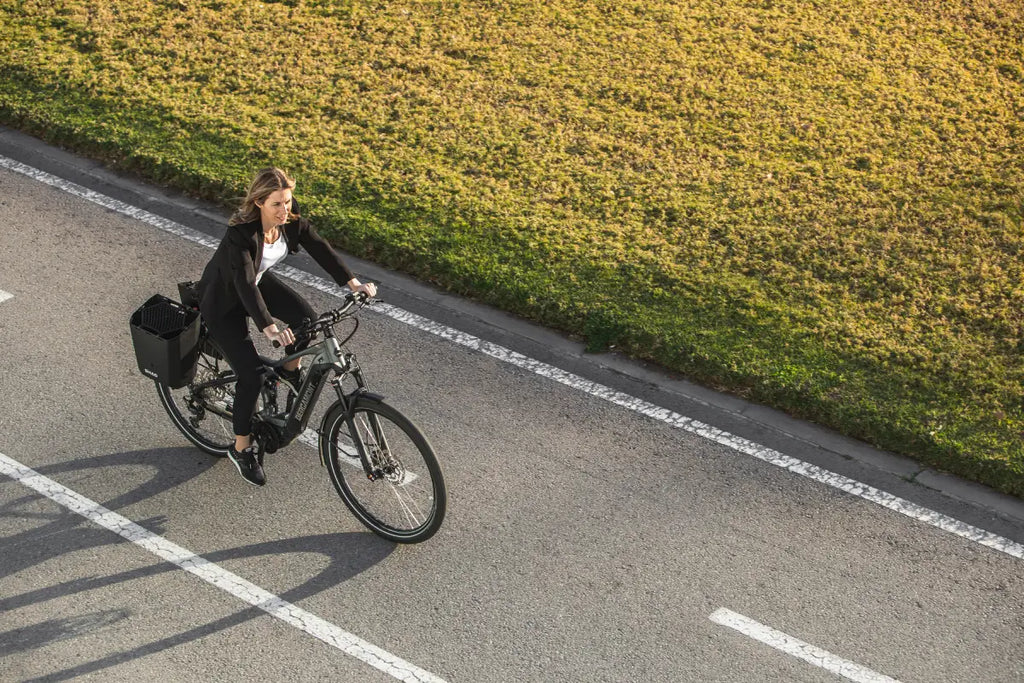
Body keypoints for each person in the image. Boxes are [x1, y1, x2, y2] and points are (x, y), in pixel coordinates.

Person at [197, 167, 376, 487]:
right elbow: (245, 284)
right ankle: (241, 450)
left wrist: (353, 283)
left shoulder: (289, 223)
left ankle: (288, 376)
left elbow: (320, 247)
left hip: (257, 285)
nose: (285, 210)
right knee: (250, 376)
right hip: (224, 301)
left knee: (307, 324)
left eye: (288, 202)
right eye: (277, 204)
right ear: (259, 202)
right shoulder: (241, 234)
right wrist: (269, 327)